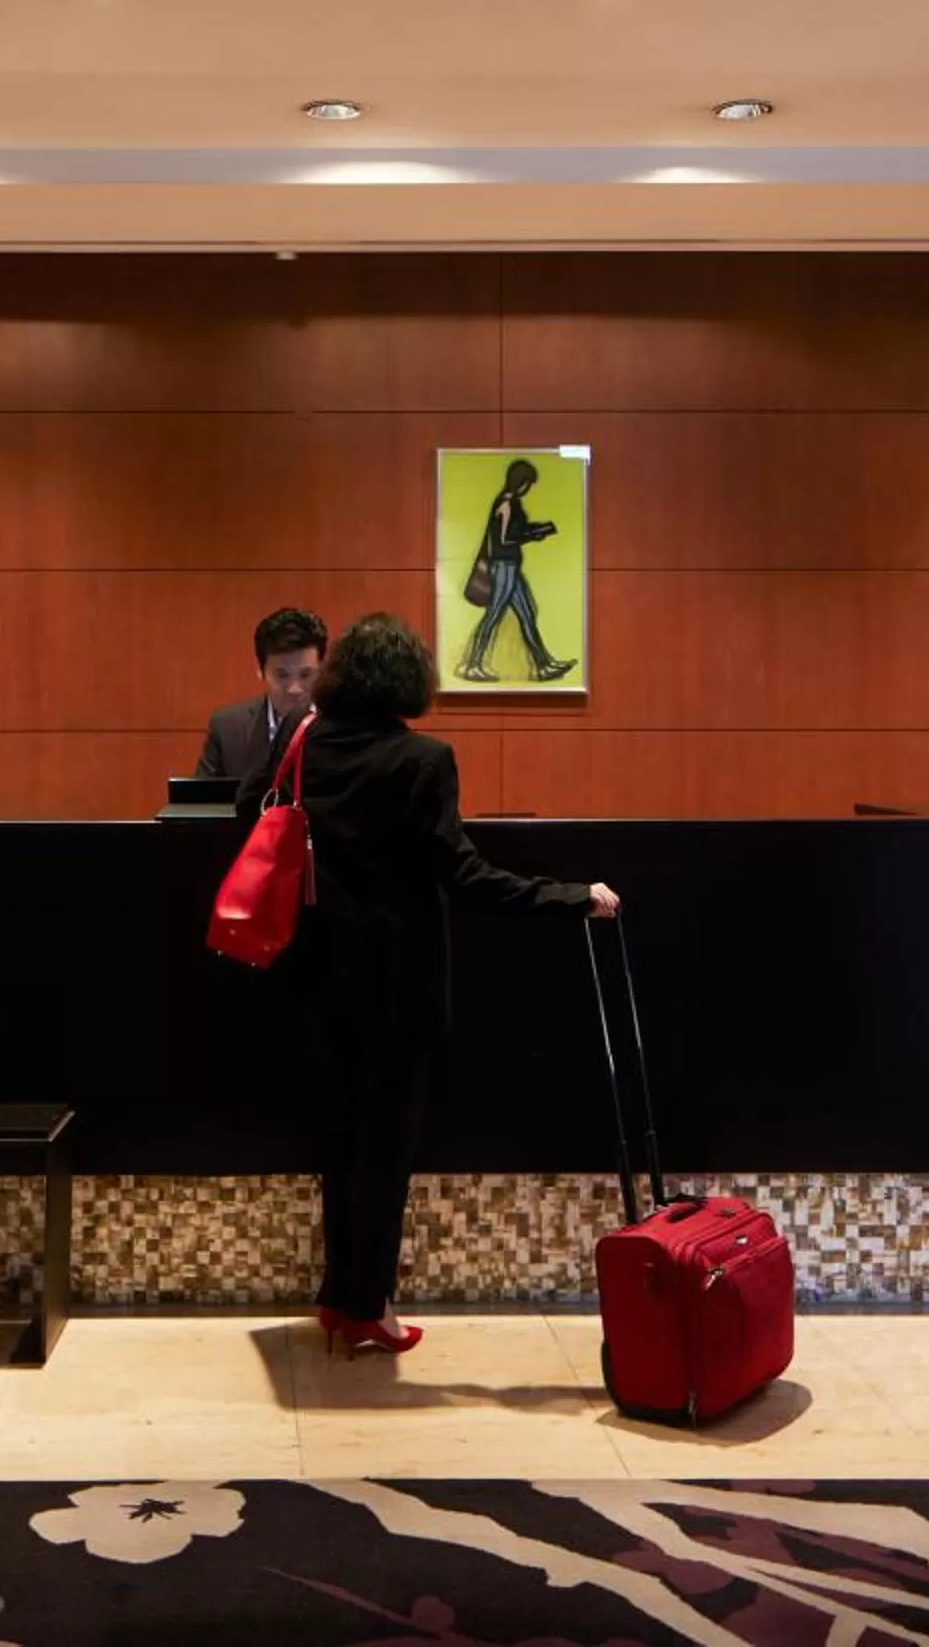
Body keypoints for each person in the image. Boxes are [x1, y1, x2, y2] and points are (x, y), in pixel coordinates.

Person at [237, 613, 620, 1356]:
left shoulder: (305, 739)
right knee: (385, 1150)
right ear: (409, 681)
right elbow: (465, 873)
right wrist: (572, 897)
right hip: (396, 986)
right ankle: (367, 1309)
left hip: (318, 976)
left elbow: (243, 807)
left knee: (342, 1139)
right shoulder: (424, 759)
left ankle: (338, 1297)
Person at [458, 457, 578, 684]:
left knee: (527, 614)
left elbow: (511, 533)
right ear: (521, 482)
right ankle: (472, 665)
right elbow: (506, 538)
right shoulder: (507, 503)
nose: (528, 489)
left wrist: (533, 532)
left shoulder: (508, 502)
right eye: (528, 484)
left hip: (510, 567)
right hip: (504, 567)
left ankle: (543, 665)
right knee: (493, 616)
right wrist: (534, 534)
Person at [195, 607, 327, 781]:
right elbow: (200, 804)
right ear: (260, 670)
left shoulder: (345, 726)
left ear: (322, 670)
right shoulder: (228, 729)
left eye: (306, 675)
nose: (295, 689)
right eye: (282, 675)